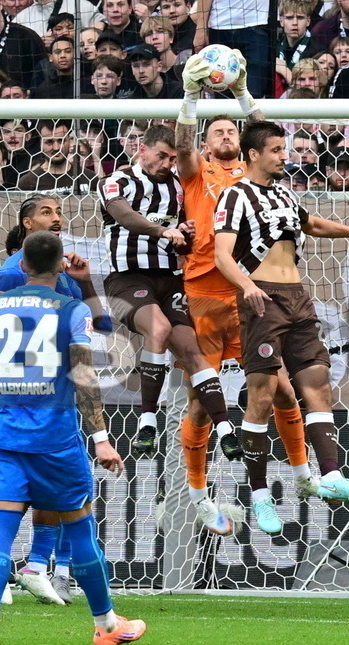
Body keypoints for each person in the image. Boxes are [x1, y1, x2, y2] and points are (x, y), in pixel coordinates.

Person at [0, 230, 146, 645]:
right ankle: (108, 626)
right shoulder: (72, 309)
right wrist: (100, 437)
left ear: (22, 265)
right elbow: (83, 375)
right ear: (61, 265)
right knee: (80, 531)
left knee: (2, 529)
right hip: (57, 438)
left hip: (8, 435)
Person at [213, 121, 349, 509]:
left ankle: (330, 475)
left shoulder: (282, 193)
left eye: (285, 149)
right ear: (253, 155)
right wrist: (246, 286)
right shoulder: (234, 197)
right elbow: (222, 255)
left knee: (318, 383)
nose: (285, 156)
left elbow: (309, 223)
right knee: (261, 396)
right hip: (262, 298)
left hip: (297, 295)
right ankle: (260, 493)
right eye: (277, 150)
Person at [174, 54, 314, 535]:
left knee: (280, 387)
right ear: (208, 145)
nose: (227, 134)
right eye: (217, 132)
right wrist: (192, 96)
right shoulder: (198, 173)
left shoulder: (261, 175)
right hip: (208, 291)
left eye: (231, 129)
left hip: (255, 294)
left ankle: (304, 476)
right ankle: (199, 497)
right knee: (201, 400)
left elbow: (265, 132)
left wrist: (241, 93)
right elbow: (182, 145)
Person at [0, 194, 110, 605]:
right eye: (47, 211)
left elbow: (101, 321)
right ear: (27, 223)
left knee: (34, 492)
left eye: (60, 210)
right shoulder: (10, 277)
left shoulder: (61, 272)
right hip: (28, 402)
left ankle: (40, 567)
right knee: (21, 494)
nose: (57, 216)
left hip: (55, 400)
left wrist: (84, 283)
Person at [100, 124, 244, 463]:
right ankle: (147, 419)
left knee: (191, 349)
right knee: (160, 330)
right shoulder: (118, 181)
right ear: (142, 150)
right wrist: (164, 230)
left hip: (171, 280)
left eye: (171, 158)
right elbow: (124, 216)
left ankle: (225, 428)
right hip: (128, 280)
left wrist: (184, 231)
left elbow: (185, 231)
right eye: (161, 156)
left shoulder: (180, 186)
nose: (167, 163)